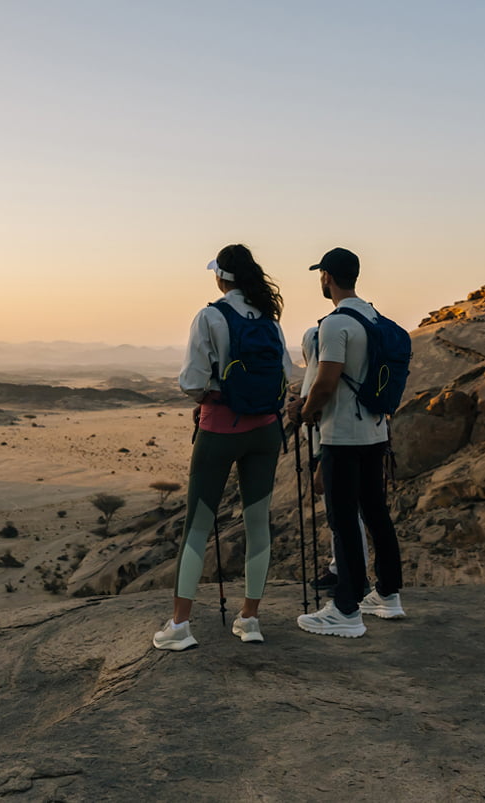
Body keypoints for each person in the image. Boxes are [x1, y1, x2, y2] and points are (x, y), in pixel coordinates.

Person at [153, 244, 292, 651]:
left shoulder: (210, 316)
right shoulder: (269, 320)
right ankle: (250, 619)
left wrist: (209, 397)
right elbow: (286, 374)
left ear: (221, 277)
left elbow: (192, 381)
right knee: (258, 524)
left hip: (220, 429)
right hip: (266, 431)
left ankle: (180, 626)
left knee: (197, 526)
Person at [294, 247, 405, 638]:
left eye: (321, 275)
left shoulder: (335, 324)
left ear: (326, 276)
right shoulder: (374, 318)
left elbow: (326, 382)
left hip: (342, 435)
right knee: (376, 514)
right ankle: (388, 595)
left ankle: (346, 610)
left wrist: (305, 412)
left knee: (343, 520)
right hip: (375, 431)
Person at [290, 325, 369, 596]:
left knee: (343, 511)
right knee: (342, 510)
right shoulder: (324, 355)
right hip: (337, 438)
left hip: (331, 441)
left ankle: (352, 575)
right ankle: (341, 568)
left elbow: (325, 397)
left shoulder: (322, 359)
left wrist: (305, 411)